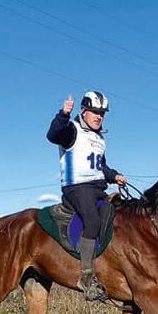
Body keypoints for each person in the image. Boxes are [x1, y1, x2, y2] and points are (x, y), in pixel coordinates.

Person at [46, 91, 127, 300]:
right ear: (84, 111)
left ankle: (105, 265)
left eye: (102, 113)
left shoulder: (99, 138)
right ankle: (86, 277)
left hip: (96, 188)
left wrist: (114, 175)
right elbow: (53, 135)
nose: (99, 116)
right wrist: (63, 114)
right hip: (76, 187)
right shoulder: (71, 130)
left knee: (111, 212)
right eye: (95, 112)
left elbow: (101, 167)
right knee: (91, 220)